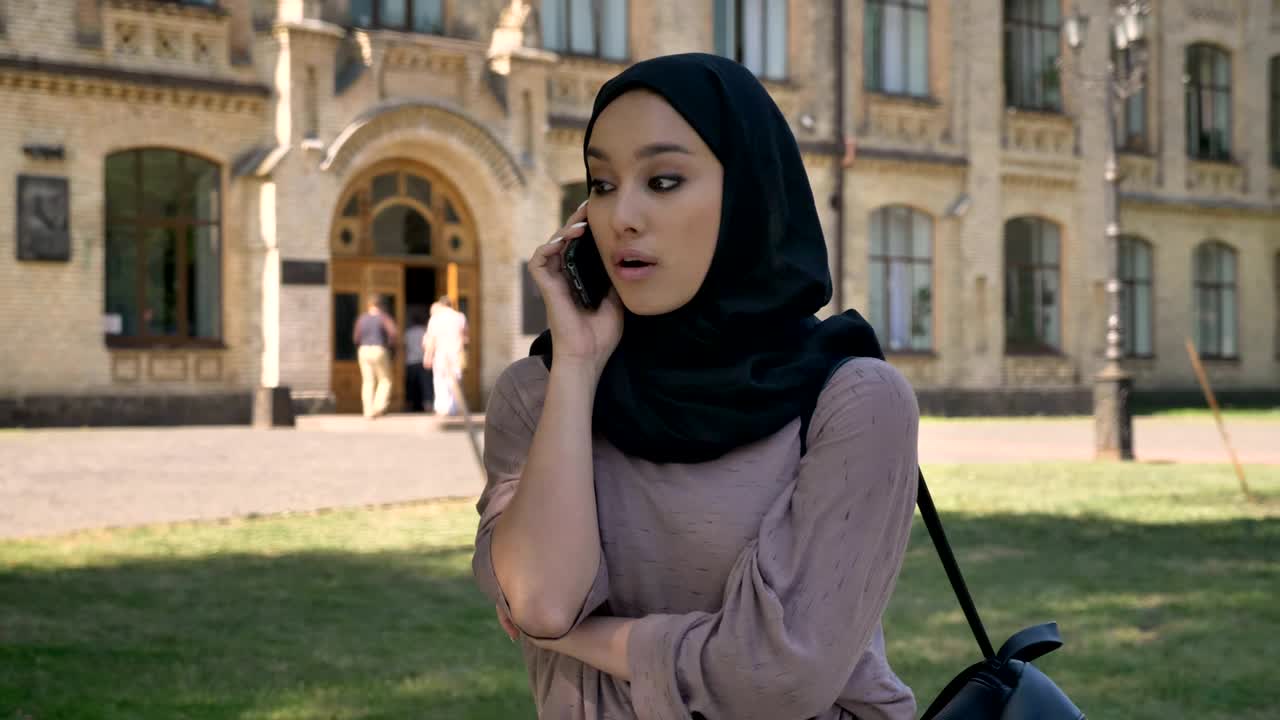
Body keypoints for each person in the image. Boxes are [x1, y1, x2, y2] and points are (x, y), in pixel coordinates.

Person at [471, 54, 919, 719]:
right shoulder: (535, 397)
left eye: (664, 179)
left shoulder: (851, 401)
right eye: (600, 182)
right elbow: (541, 600)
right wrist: (577, 364)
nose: (621, 215)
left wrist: (581, 639)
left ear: (747, 194)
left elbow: (778, 675)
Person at [352, 296, 397, 419]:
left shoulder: (362, 318)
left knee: (368, 381)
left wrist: (360, 345)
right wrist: (391, 348)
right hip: (379, 349)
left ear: (369, 305)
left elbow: (356, 337)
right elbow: (393, 333)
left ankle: (368, 410)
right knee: (385, 380)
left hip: (363, 350)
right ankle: (378, 406)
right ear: (381, 306)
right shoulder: (383, 317)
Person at [423, 295, 468, 416]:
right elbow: (464, 337)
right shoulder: (460, 317)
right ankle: (454, 408)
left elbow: (431, 339)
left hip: (441, 354)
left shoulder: (435, 318)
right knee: (454, 382)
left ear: (441, 305)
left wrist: (428, 356)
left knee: (439, 381)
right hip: (456, 353)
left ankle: (442, 408)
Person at [402, 309, 430, 412]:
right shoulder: (425, 332)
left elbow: (404, 348)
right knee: (425, 385)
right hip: (423, 361)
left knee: (411, 386)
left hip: (411, 362)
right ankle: (428, 405)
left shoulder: (408, 333)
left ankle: (408, 405)